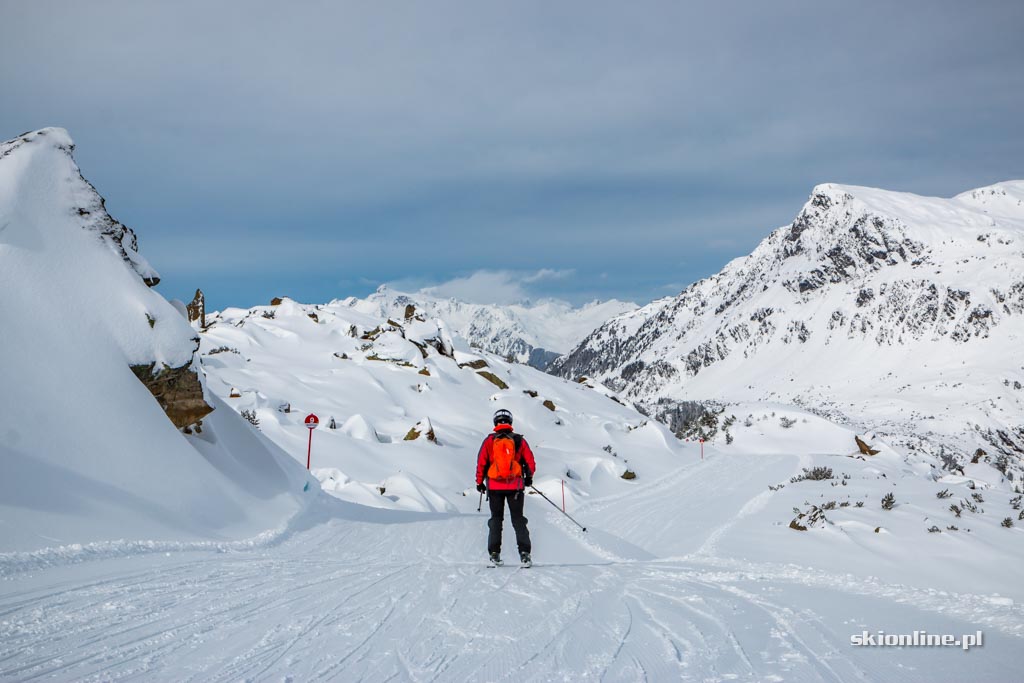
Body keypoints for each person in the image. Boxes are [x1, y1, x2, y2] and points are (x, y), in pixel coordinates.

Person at [476, 408, 536, 567]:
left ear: (495, 422)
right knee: (518, 519)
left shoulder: (489, 441)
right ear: (510, 422)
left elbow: (481, 462)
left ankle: (494, 554)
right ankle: (525, 554)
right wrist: (529, 478)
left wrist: (479, 482)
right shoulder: (519, 440)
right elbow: (530, 462)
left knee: (496, 519)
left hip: (494, 487)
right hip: (515, 487)